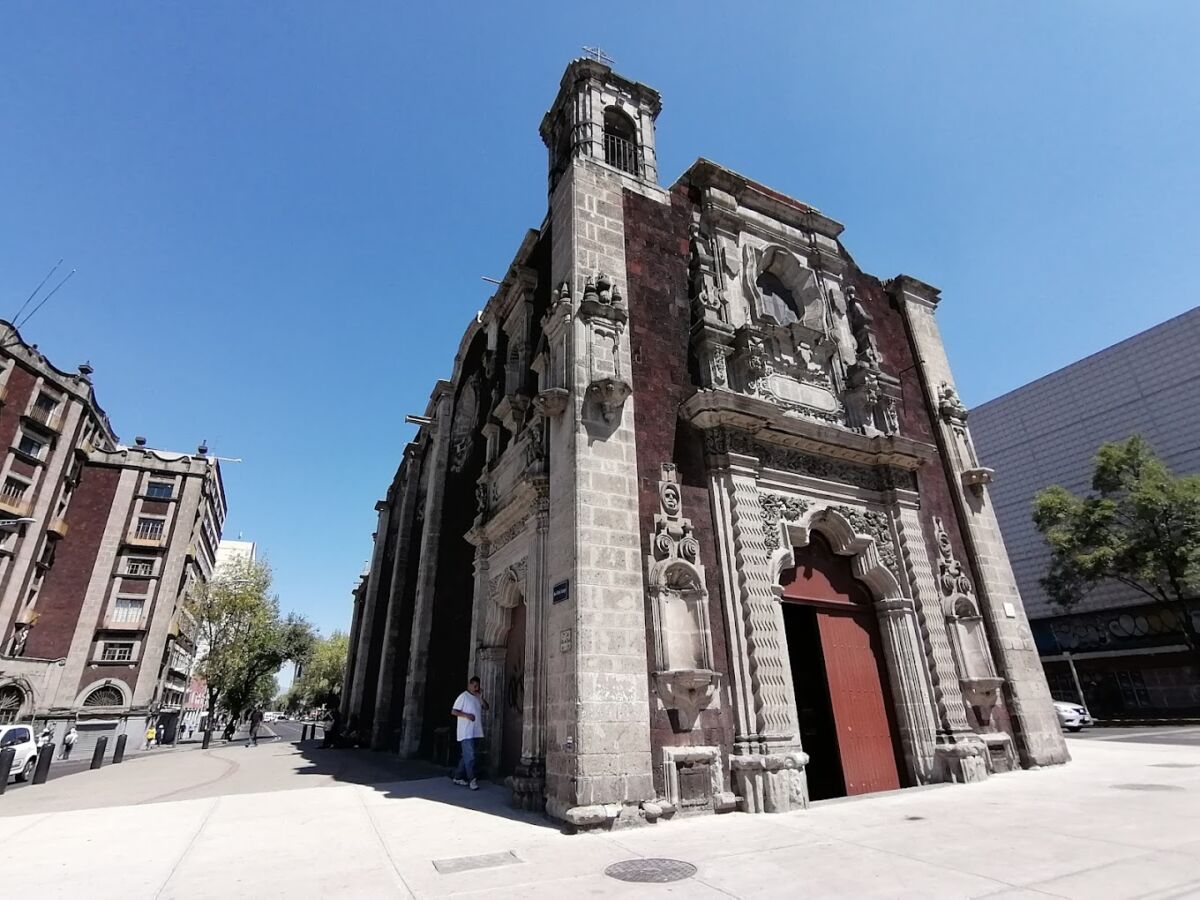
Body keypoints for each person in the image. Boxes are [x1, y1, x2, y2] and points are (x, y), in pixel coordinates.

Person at [450, 676, 488, 791]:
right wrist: (466, 715)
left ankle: (457, 776)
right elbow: (453, 711)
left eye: (478, 686)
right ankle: (472, 780)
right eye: (474, 686)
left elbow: (486, 707)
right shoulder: (463, 696)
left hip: (476, 731)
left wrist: (480, 697)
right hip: (466, 732)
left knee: (466, 756)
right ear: (470, 685)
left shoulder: (477, 698)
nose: (476, 688)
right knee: (470, 757)